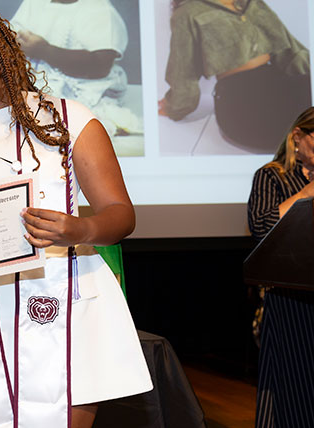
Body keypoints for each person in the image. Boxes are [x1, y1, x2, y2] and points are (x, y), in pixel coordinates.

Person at [0, 12, 152, 428]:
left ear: (6, 57)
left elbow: (121, 215)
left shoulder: (69, 120)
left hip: (67, 314)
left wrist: (80, 229)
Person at [159, 0, 311, 153]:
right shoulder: (187, 13)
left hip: (276, 83)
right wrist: (175, 107)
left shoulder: (253, 3)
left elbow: (289, 51)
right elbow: (183, 71)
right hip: (239, 99)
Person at [247, 106, 314, 427]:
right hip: (289, 300)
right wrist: (308, 192)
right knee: (294, 388)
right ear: (297, 137)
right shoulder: (271, 176)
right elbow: (262, 228)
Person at [9, 0, 142, 138]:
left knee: (68, 116)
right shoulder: (35, 3)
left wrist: (44, 51)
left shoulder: (99, 9)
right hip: (39, 77)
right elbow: (12, 34)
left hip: (83, 84)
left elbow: (100, 65)